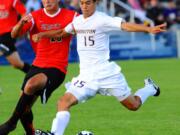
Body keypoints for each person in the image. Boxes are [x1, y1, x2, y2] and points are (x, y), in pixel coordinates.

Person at [33, 0, 166, 135]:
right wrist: (42, 34)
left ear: (95, 3)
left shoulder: (102, 19)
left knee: (133, 105)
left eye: (88, 3)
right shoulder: (78, 21)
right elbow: (61, 32)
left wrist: (148, 29)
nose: (85, 6)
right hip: (86, 77)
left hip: (107, 74)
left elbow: (125, 26)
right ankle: (56, 133)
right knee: (63, 102)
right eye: (82, 3)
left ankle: (149, 88)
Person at [0, 0, 77, 135]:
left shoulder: (71, 15)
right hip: (37, 65)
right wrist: (20, 23)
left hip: (57, 67)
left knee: (30, 85)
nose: (47, 1)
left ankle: (11, 123)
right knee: (24, 106)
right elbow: (14, 34)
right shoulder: (35, 16)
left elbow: (83, 26)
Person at [0, 0, 31, 73]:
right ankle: (36, 74)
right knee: (17, 64)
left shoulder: (13, 1)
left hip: (8, 35)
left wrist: (19, 27)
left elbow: (24, 14)